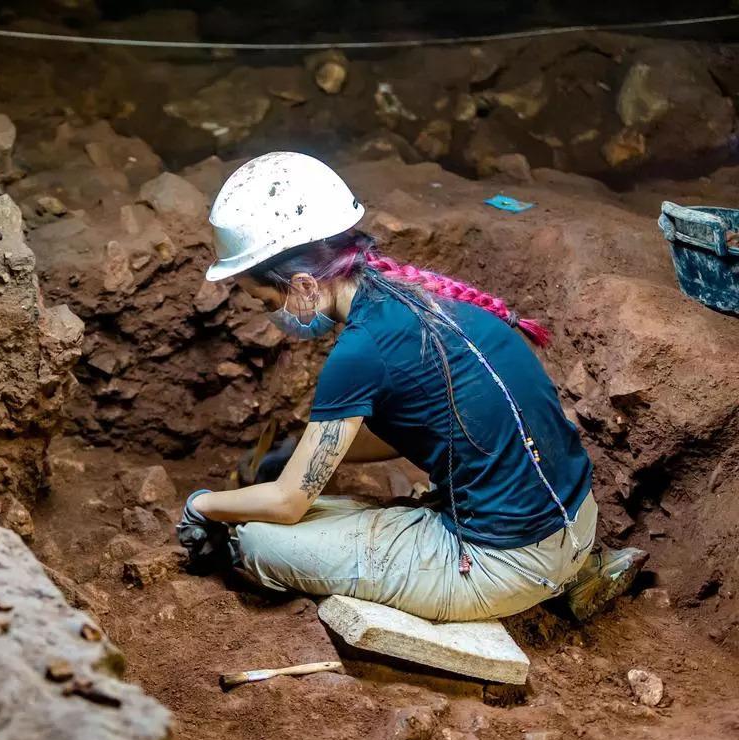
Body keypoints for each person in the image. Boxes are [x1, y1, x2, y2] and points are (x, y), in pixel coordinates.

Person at [177, 152, 646, 623]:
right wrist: (304, 451)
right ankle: (575, 571)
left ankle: (543, 585)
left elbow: (287, 501)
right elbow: (417, 426)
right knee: (296, 510)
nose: (271, 316)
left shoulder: (360, 352)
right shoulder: (419, 298)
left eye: (266, 300)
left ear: (303, 284)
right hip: (573, 524)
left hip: (505, 562)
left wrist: (204, 506)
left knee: (260, 539)